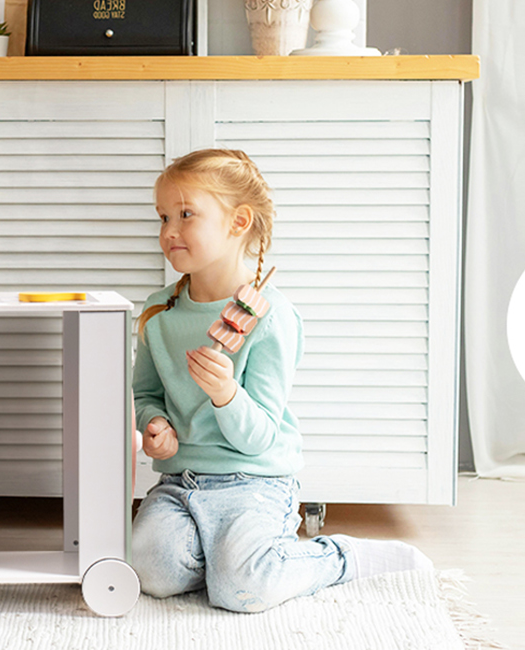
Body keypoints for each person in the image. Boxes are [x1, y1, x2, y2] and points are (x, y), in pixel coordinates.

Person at [130, 149, 432, 613]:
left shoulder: (271, 318)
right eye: (163, 217)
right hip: (180, 482)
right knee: (150, 570)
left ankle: (339, 558)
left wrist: (226, 395)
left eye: (186, 214)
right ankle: (231, 558)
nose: (169, 231)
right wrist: (155, 424)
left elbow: (259, 438)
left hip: (254, 481)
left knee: (244, 590)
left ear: (239, 222)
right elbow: (146, 394)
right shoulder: (158, 313)